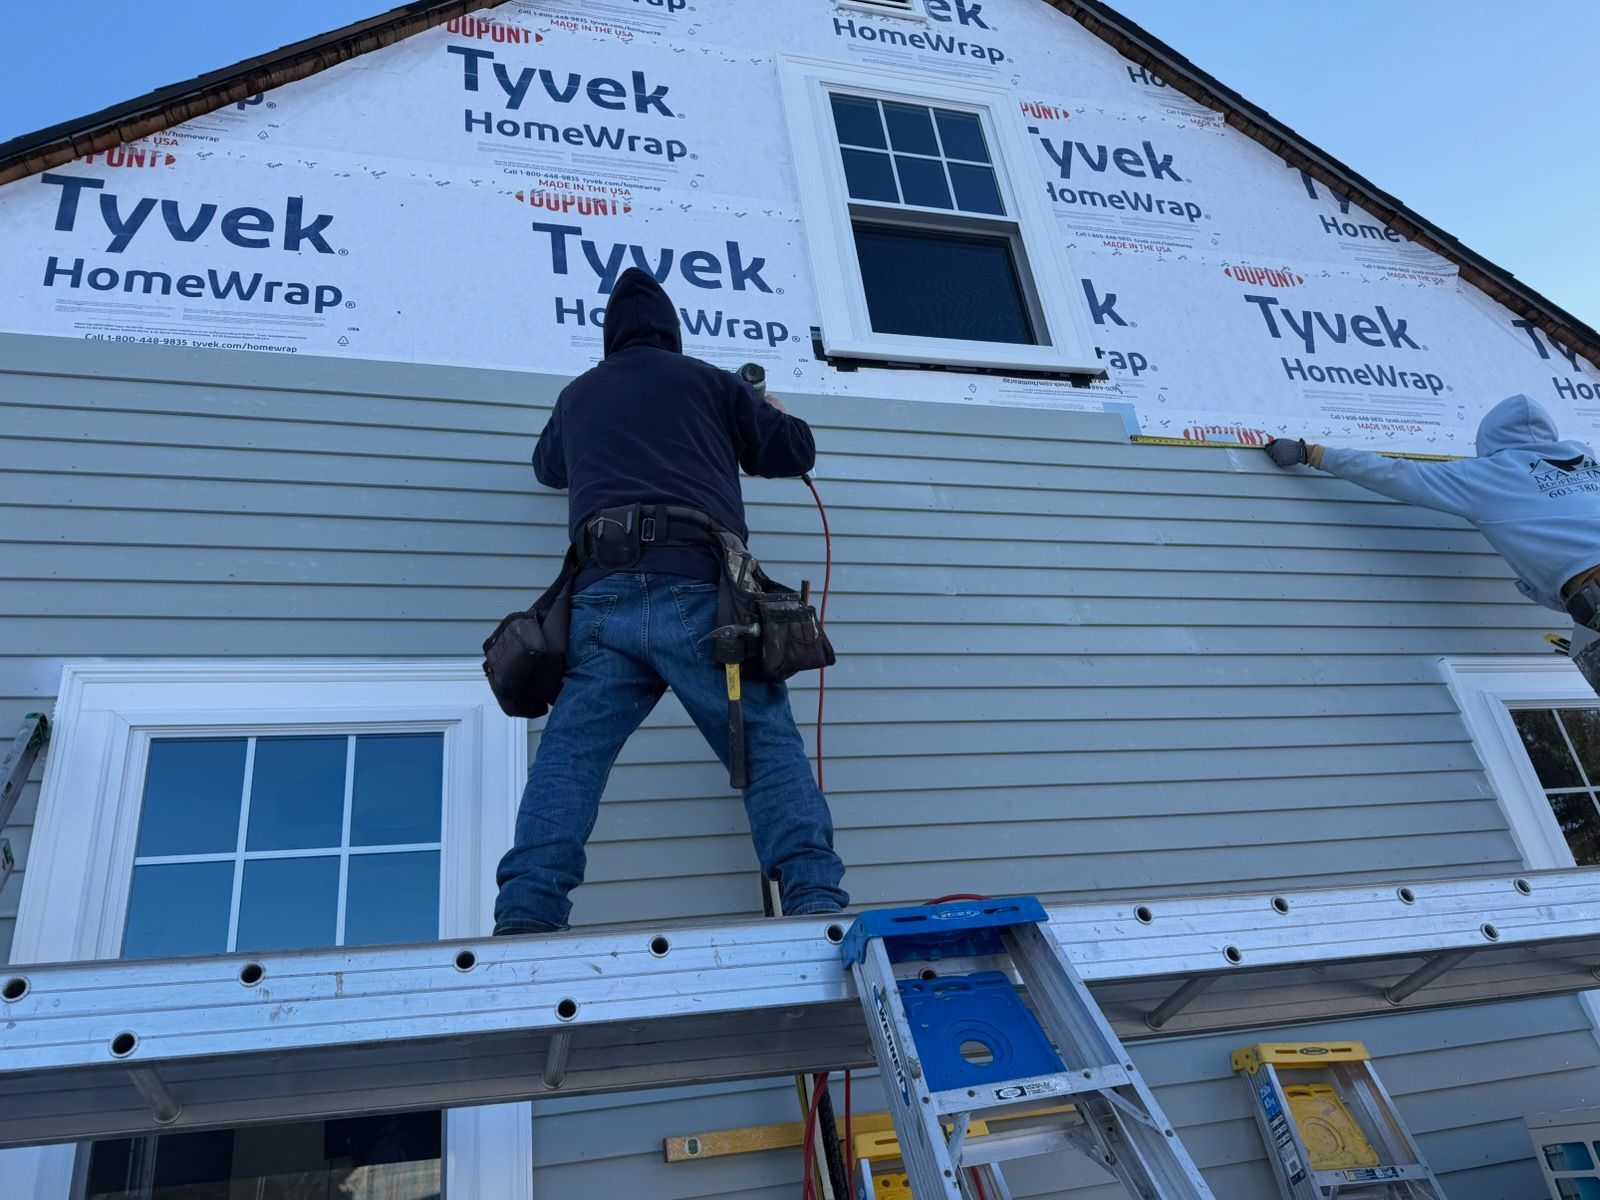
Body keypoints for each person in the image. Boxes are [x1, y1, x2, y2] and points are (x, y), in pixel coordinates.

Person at [493, 267, 848, 934]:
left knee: (569, 759)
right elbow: (794, 451)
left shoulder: (579, 396)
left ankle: (526, 915)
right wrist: (764, 410)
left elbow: (547, 468)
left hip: (599, 601)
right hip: (698, 591)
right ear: (672, 333)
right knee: (766, 745)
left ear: (610, 338)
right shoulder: (711, 383)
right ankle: (813, 900)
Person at [1266, 394, 1600, 691]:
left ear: (1489, 439)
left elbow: (1396, 474)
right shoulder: (1589, 461)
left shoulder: (1486, 474)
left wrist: (1312, 453)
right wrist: (1547, 590)